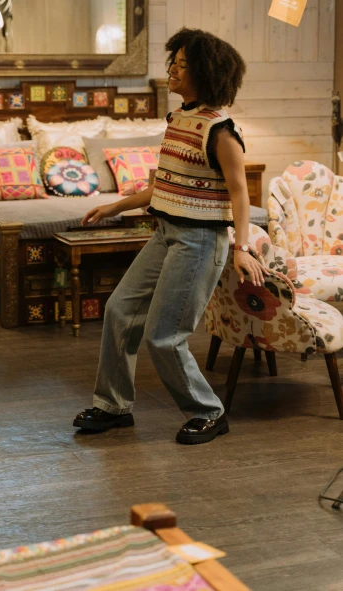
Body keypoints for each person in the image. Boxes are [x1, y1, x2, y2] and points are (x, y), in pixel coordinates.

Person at [73, 27, 267, 445]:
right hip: (167, 233)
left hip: (200, 242)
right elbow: (166, 186)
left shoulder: (221, 132)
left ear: (204, 73)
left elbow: (240, 194)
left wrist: (241, 247)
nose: (172, 73)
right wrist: (115, 206)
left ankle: (208, 412)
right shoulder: (179, 119)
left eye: (181, 66)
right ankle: (112, 405)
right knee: (119, 310)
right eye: (172, 64)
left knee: (164, 336)